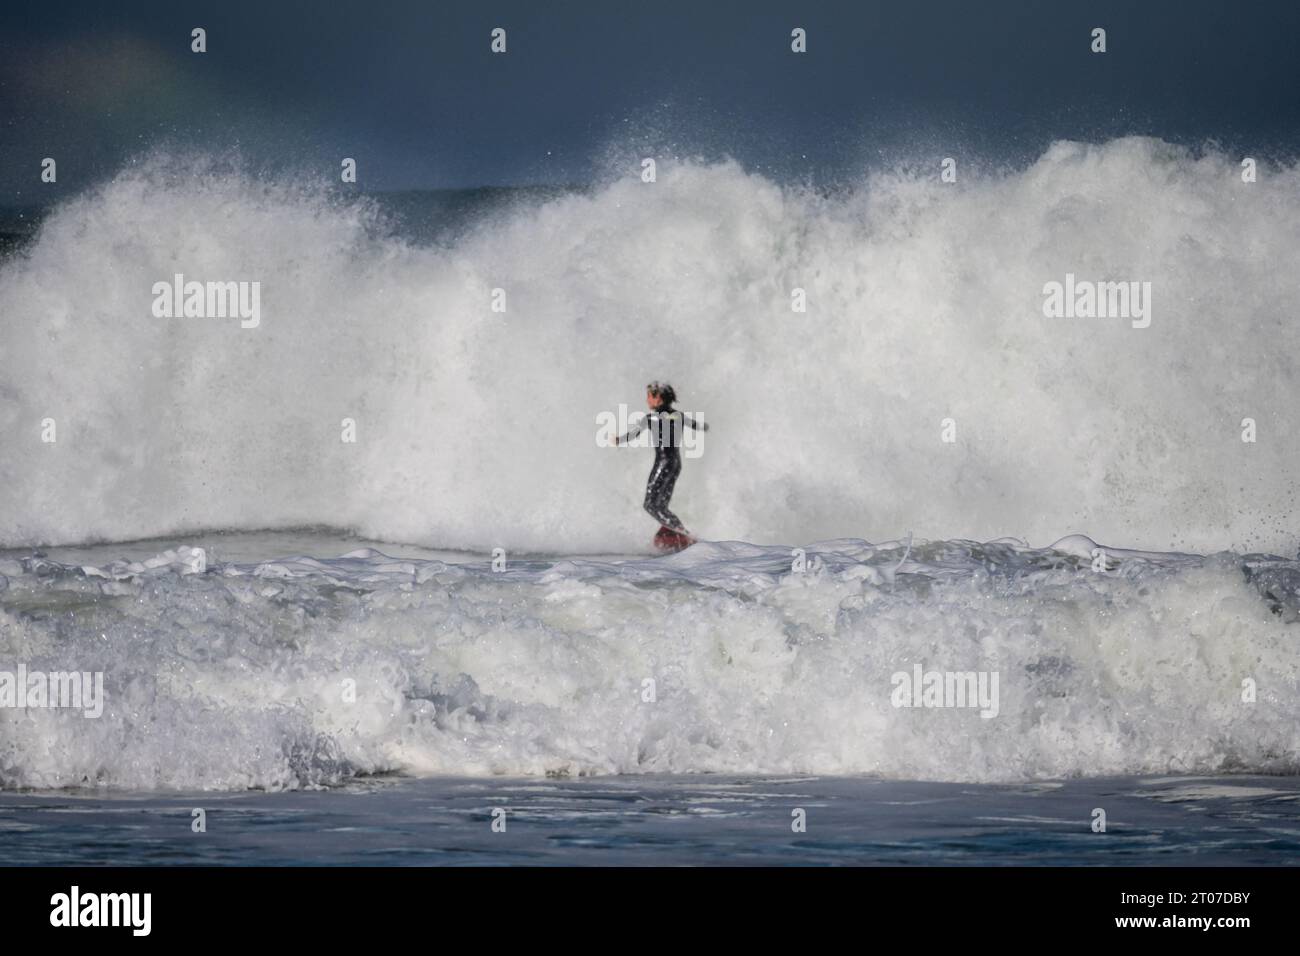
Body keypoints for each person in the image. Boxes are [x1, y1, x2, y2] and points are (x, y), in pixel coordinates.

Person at [613, 381, 708, 534]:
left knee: (650, 505)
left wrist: (617, 440)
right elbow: (700, 426)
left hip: (663, 463)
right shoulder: (679, 416)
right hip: (676, 464)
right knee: (661, 506)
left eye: (649, 396)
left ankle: (680, 532)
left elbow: (632, 435)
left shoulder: (651, 418)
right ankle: (679, 532)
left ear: (658, 398)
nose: (647, 400)